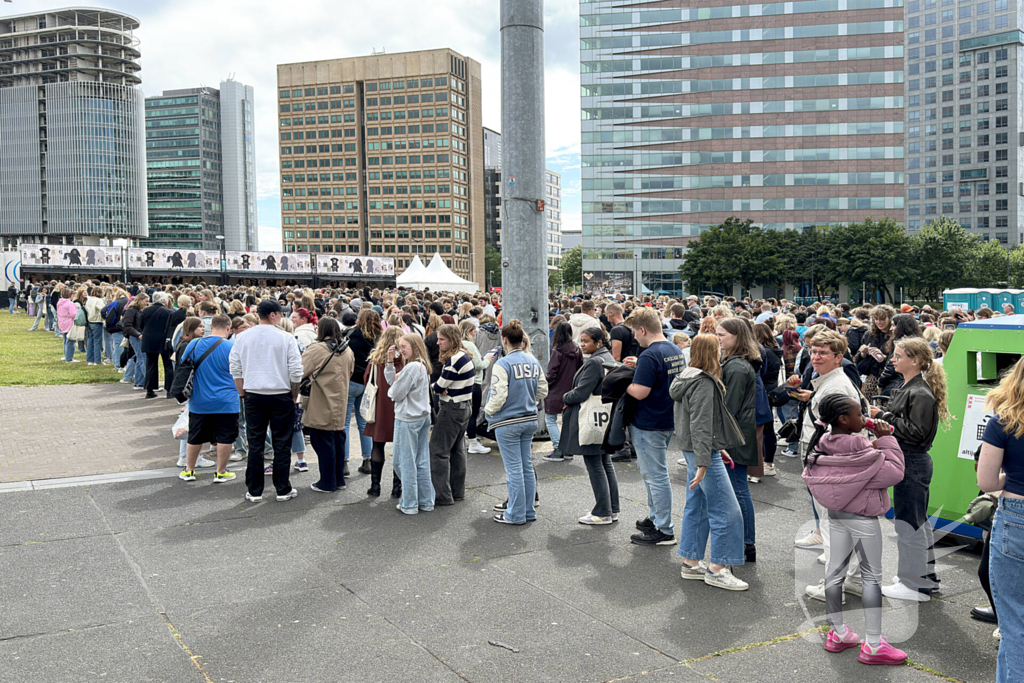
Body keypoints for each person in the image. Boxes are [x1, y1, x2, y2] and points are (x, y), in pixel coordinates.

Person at [802, 394, 908, 665]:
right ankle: (873, 644)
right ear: (843, 419)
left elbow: (851, 462)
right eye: (859, 414)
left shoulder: (821, 447)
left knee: (834, 573)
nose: (864, 418)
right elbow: (895, 473)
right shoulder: (865, 453)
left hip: (836, 517)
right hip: (863, 519)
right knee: (871, 577)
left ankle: (837, 633)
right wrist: (887, 440)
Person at [872, 337, 948, 601]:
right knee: (916, 523)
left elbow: (916, 432)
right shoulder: (912, 387)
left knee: (910, 525)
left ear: (914, 360)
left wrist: (882, 417)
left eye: (899, 355)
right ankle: (924, 579)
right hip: (908, 460)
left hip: (911, 461)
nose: (893, 359)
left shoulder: (920, 391)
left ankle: (915, 584)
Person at [672, 334, 749, 591]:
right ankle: (718, 569)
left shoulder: (687, 376)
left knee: (699, 505)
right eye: (717, 349)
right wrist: (707, 459)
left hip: (694, 450)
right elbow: (701, 425)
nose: (721, 353)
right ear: (711, 352)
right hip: (702, 452)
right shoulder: (704, 382)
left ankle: (691, 562)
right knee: (727, 511)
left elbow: (697, 424)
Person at [794, 330, 867, 602]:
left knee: (833, 524)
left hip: (829, 463)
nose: (816, 357)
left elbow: (842, 431)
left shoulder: (836, 385)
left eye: (823, 353)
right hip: (834, 461)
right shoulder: (831, 382)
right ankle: (855, 580)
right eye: (813, 351)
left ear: (839, 357)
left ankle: (833, 586)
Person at [230, 299, 303, 504]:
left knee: (255, 442)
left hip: (253, 393)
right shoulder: (286, 338)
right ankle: (282, 488)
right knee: (282, 442)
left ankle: (254, 490)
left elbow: (235, 368)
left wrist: (242, 393)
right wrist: (294, 394)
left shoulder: (242, 337)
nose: (282, 317)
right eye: (280, 313)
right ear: (273, 315)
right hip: (281, 393)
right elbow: (296, 371)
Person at [624, 307, 686, 546]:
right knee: (654, 474)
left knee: (655, 476)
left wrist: (623, 381)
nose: (635, 337)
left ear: (642, 329)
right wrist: (639, 365)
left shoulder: (650, 354)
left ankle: (664, 528)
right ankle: (655, 518)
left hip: (649, 421)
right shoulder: (673, 349)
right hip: (667, 418)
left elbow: (640, 392)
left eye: (634, 332)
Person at [978, 358, 1024, 679]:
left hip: (1016, 517)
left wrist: (1010, 480)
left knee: (1014, 620)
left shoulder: (1003, 423)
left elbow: (987, 482)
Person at [484, 320, 548, 525]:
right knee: (526, 466)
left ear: (504, 340)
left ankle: (516, 514)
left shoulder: (502, 364)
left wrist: (488, 411)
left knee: (513, 470)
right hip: (529, 418)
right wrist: (530, 401)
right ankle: (528, 510)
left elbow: (498, 394)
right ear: (522, 340)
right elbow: (543, 390)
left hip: (507, 421)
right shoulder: (532, 361)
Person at [560, 327, 619, 524]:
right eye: (581, 340)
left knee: (595, 463)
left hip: (591, 418)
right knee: (605, 462)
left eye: (586, 341)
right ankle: (612, 508)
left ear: (599, 342)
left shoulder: (594, 361)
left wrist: (565, 397)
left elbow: (581, 392)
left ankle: (602, 512)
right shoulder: (606, 357)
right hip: (604, 416)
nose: (582, 344)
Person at [716, 317, 760, 562]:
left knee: (738, 490)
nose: (718, 338)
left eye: (722, 334)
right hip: (739, 432)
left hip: (735, 435)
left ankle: (745, 542)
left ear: (737, 337)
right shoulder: (738, 363)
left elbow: (727, 408)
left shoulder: (735, 366)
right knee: (737, 489)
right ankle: (745, 542)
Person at [178, 315, 238, 484]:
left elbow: (184, 366)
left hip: (199, 399)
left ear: (210, 326)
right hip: (227, 399)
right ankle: (220, 472)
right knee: (225, 437)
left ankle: (189, 470)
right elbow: (239, 371)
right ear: (229, 327)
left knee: (195, 436)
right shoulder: (232, 347)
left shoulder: (194, 344)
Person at [301, 317, 354, 493]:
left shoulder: (316, 349)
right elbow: (351, 372)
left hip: (321, 400)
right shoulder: (347, 351)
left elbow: (300, 372)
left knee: (322, 443)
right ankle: (338, 480)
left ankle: (327, 482)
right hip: (341, 401)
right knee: (337, 442)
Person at [387, 333, 435, 514]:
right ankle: (425, 500)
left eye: (404, 347)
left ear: (415, 347)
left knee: (403, 462)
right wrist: (390, 364)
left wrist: (394, 383)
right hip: (422, 416)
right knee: (421, 460)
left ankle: (410, 503)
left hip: (407, 418)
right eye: (400, 347)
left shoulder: (412, 367)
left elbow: (394, 393)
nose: (401, 350)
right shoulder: (422, 365)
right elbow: (394, 384)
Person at [429, 323, 476, 506]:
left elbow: (439, 386)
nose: (438, 343)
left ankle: (442, 495)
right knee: (457, 451)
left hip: (451, 408)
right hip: (464, 407)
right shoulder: (464, 356)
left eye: (442, 339)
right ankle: (457, 492)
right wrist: (441, 388)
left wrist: (435, 388)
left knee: (438, 451)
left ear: (452, 339)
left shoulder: (455, 359)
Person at [363, 325, 405, 498]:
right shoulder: (406, 360)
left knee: (377, 445)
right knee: (400, 448)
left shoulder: (376, 358)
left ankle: (375, 486)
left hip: (380, 405)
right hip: (400, 405)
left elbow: (367, 379)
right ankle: (397, 487)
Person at [541, 321, 581, 462]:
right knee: (567, 421)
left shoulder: (557, 351)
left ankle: (558, 449)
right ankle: (568, 449)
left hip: (555, 390)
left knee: (550, 420)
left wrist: (545, 385)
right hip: (571, 390)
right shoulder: (577, 349)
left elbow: (552, 373)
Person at [347, 309, 379, 473]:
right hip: (368, 383)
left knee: (344, 423)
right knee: (364, 422)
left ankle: (344, 462)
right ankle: (367, 459)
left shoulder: (352, 334)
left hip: (351, 379)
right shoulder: (378, 337)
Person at [460, 320, 493, 455]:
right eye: (474, 331)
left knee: (465, 414)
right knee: (473, 414)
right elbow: (479, 364)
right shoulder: (470, 345)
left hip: (463, 383)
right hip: (475, 382)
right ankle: (473, 442)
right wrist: (488, 360)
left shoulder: (458, 344)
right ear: (468, 332)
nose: (475, 334)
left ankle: (466, 440)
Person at [140, 292, 174, 399]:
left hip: (149, 340)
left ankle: (149, 390)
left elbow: (140, 324)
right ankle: (169, 390)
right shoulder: (169, 312)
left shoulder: (146, 310)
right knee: (168, 365)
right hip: (164, 341)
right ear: (164, 300)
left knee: (151, 365)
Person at [856, 305, 894, 399]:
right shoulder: (869, 334)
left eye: (882, 319)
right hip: (872, 375)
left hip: (890, 377)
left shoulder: (895, 335)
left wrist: (883, 357)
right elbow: (858, 359)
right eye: (876, 319)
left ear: (890, 319)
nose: (878, 322)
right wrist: (863, 353)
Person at [121, 293, 148, 388]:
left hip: (139, 336)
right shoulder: (131, 310)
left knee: (139, 357)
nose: (147, 303)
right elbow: (128, 326)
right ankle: (149, 383)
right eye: (145, 301)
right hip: (135, 337)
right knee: (142, 358)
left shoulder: (140, 310)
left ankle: (139, 382)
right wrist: (138, 334)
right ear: (140, 300)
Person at [56, 286, 80, 363]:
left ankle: (66, 355)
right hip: (69, 322)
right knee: (70, 341)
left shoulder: (59, 303)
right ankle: (69, 358)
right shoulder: (70, 304)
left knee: (65, 340)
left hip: (62, 321)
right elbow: (74, 314)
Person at [84, 286, 106, 365]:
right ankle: (97, 360)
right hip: (97, 321)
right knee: (97, 341)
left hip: (89, 321)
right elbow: (103, 309)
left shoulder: (89, 300)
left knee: (90, 340)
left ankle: (90, 360)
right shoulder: (98, 300)